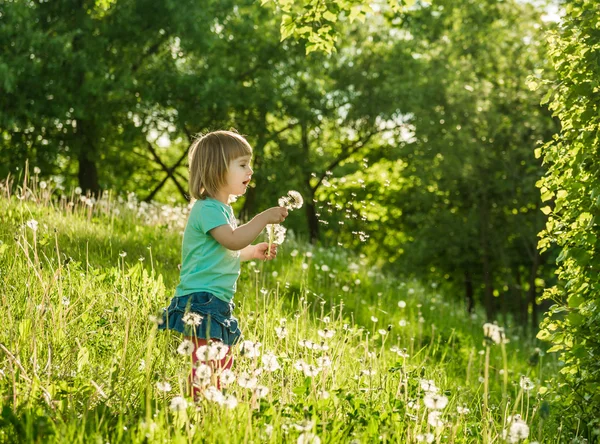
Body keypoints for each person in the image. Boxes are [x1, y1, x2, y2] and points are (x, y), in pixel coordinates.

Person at [159, 130, 288, 396]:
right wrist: (262, 219)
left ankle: (210, 406)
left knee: (221, 361)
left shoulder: (221, 210)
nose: (250, 170)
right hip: (202, 299)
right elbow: (231, 240)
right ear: (217, 169)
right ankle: (198, 407)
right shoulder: (206, 208)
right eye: (242, 164)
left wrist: (251, 252)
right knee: (205, 363)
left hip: (216, 300)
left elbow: (223, 251)